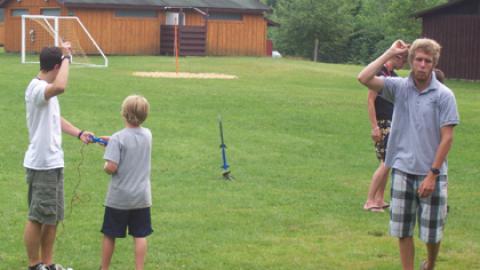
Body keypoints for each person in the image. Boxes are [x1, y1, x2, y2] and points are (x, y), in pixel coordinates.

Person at [357, 38, 459, 270]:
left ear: (433, 64)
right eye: (419, 59)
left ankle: (430, 264)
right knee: (403, 231)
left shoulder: (444, 95)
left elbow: (448, 138)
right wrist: (390, 52)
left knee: (432, 233)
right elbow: (363, 78)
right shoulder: (398, 87)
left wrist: (433, 175)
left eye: (428, 61)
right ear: (411, 61)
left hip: (432, 172)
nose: (422, 64)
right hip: (403, 169)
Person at [24, 43, 94, 270]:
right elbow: (62, 86)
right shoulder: (37, 89)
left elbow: (55, 118)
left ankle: (47, 264)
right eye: (62, 66)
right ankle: (35, 265)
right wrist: (67, 58)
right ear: (56, 66)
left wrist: (79, 133)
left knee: (52, 217)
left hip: (54, 162)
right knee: (37, 216)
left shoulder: (46, 90)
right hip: (42, 164)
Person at [100, 95, 153, 270]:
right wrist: (112, 142)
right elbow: (131, 142)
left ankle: (104, 268)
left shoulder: (118, 138)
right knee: (140, 235)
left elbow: (111, 167)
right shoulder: (147, 135)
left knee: (110, 234)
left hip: (119, 198)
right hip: (141, 197)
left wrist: (105, 164)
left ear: (124, 113)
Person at [364, 54, 406, 212]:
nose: (404, 64)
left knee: (388, 162)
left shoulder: (394, 77)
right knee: (385, 162)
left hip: (393, 123)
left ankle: (380, 199)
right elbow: (370, 100)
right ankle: (369, 200)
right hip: (382, 124)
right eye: (404, 60)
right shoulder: (379, 75)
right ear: (397, 57)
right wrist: (375, 127)